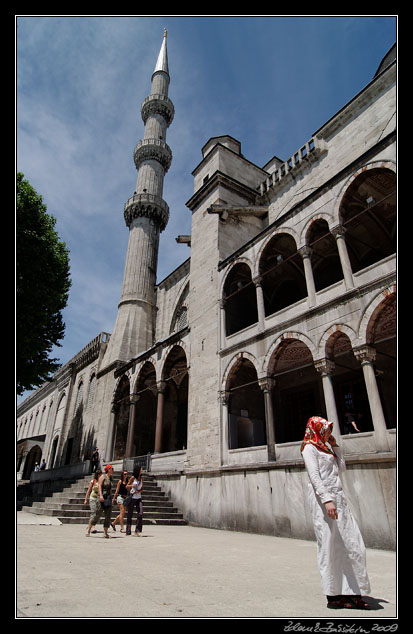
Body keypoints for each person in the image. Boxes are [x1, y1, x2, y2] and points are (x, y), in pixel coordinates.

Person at [301, 416, 371, 610]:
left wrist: (336, 447)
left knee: (352, 543)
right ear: (315, 429)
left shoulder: (326, 447)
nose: (328, 433)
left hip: (339, 499)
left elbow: (342, 468)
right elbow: (314, 476)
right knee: (330, 546)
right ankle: (333, 595)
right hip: (324, 502)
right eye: (325, 429)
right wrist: (326, 499)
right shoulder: (309, 448)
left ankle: (353, 592)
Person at [125, 466, 144, 536]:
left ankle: (137, 530)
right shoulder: (133, 478)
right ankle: (128, 530)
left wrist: (138, 491)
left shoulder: (141, 478)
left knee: (140, 513)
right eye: (141, 469)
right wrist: (132, 487)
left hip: (139, 497)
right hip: (132, 497)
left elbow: (142, 489)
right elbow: (127, 486)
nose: (142, 470)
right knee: (130, 514)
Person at [84, 469, 102, 536]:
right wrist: (86, 499)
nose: (99, 475)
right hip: (92, 498)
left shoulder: (102, 482)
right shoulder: (93, 481)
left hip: (98, 499)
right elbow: (89, 490)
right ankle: (92, 527)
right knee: (93, 512)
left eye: (100, 474)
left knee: (97, 513)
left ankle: (91, 525)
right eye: (98, 474)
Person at [98, 464, 114, 538]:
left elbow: (110, 489)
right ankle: (90, 527)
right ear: (108, 469)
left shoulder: (111, 478)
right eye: (112, 468)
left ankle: (105, 532)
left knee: (108, 515)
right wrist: (100, 495)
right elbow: (99, 486)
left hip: (108, 498)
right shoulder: (102, 477)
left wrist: (112, 498)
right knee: (97, 514)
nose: (113, 470)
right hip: (103, 497)